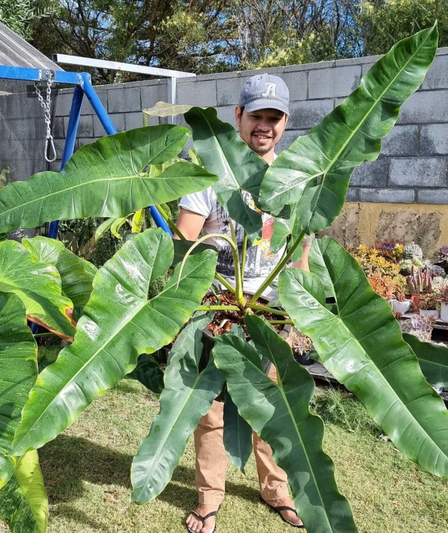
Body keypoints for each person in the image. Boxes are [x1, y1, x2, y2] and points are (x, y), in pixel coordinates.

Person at [176, 73, 310, 533]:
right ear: (238, 116)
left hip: (269, 311)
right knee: (210, 410)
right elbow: (185, 242)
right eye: (257, 116)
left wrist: (301, 309)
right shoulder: (208, 171)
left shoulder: (294, 178)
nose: (265, 127)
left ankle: (278, 491)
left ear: (285, 122)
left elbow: (300, 251)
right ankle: (209, 499)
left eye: (274, 118)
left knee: (272, 408)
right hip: (217, 305)